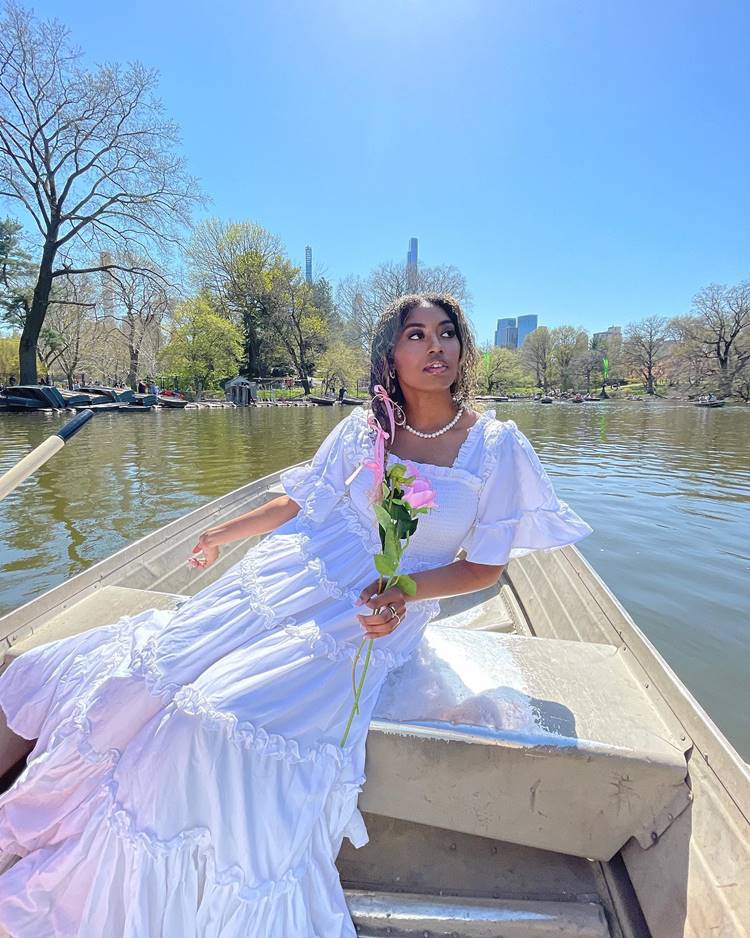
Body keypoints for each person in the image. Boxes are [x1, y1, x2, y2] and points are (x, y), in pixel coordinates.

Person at [0, 293, 592, 936]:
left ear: (462, 348)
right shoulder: (367, 428)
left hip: (375, 612)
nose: (434, 348)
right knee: (144, 677)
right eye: (416, 335)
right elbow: (300, 499)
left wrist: (405, 592)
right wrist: (223, 533)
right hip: (300, 575)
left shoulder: (496, 446)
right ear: (391, 353)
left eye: (446, 334)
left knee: (212, 716)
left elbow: (484, 568)